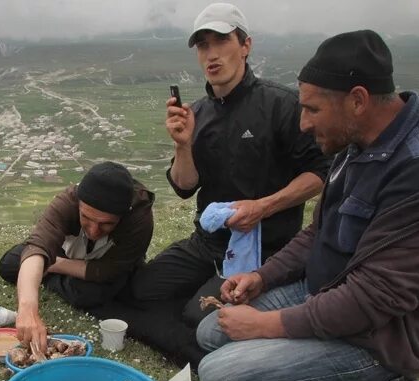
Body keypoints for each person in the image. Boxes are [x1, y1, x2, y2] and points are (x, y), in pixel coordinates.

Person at [196, 30, 419, 381]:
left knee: (218, 372)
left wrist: (266, 327)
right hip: (325, 293)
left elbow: (374, 298)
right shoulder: (355, 143)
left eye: (313, 110)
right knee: (211, 331)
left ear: (357, 100)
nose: (303, 123)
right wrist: (263, 277)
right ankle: (292, 353)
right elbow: (319, 232)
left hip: (377, 338)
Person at [130, 2, 330, 327]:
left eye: (222, 41)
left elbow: (320, 172)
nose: (212, 54)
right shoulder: (198, 114)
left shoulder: (281, 105)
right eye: (203, 45)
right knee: (142, 289)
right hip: (207, 243)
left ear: (245, 45)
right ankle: (204, 306)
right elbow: (184, 186)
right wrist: (183, 145)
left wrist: (262, 207)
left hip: (266, 249)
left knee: (198, 317)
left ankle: (222, 311)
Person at [0, 161, 154, 353]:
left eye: (106, 224)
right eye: (86, 218)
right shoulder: (67, 200)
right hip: (67, 254)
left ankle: (48, 276)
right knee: (9, 264)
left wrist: (53, 264)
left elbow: (107, 270)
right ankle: (54, 276)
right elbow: (38, 246)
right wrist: (27, 308)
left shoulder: (140, 219)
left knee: (93, 293)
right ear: (78, 204)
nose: (95, 230)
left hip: (104, 264)